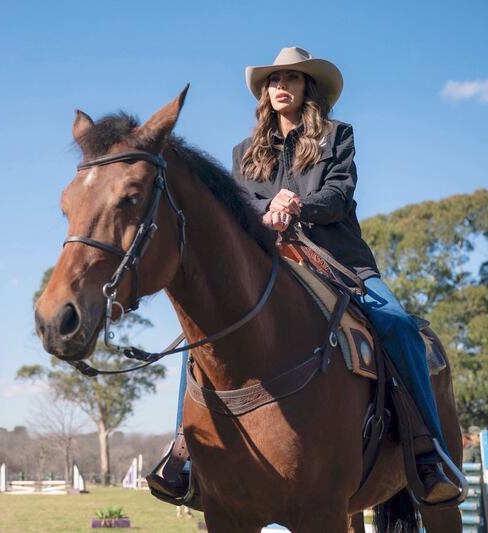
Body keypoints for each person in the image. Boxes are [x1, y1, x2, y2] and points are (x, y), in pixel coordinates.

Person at [149, 47, 461, 505]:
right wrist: (265, 210)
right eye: (274, 81)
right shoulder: (243, 152)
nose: (281, 87)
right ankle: (186, 451)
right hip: (270, 262)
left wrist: (296, 203)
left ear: (306, 88)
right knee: (203, 335)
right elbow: (236, 208)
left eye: (291, 79)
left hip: (339, 262)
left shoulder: (337, 136)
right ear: (265, 92)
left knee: (397, 324)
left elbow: (339, 194)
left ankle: (426, 449)